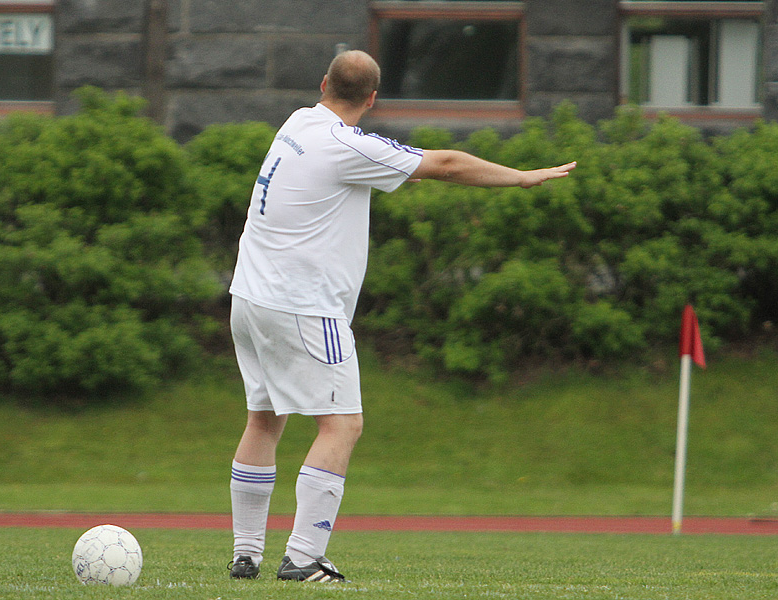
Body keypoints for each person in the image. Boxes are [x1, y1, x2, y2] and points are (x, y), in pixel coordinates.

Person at [227, 49, 575, 582]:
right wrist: (523, 177)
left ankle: (245, 554)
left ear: (323, 84)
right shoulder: (347, 144)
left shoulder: (298, 122)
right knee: (342, 424)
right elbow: (448, 164)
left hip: (249, 297)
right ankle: (302, 559)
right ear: (372, 99)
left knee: (264, 419)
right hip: (302, 306)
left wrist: (397, 168)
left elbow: (354, 167)